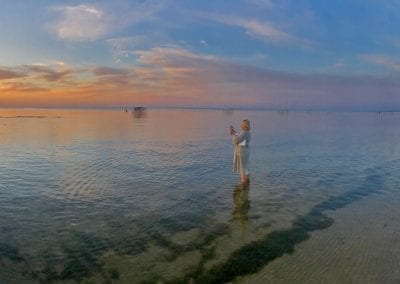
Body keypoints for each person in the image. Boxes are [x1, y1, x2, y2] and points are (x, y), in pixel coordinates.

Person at [229, 119, 251, 183]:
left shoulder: (244, 132)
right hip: (245, 151)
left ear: (244, 125)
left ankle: (243, 185)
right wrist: (234, 133)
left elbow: (236, 140)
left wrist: (232, 134)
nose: (241, 125)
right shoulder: (248, 132)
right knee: (246, 167)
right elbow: (240, 138)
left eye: (242, 124)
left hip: (242, 152)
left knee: (242, 168)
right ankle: (247, 183)